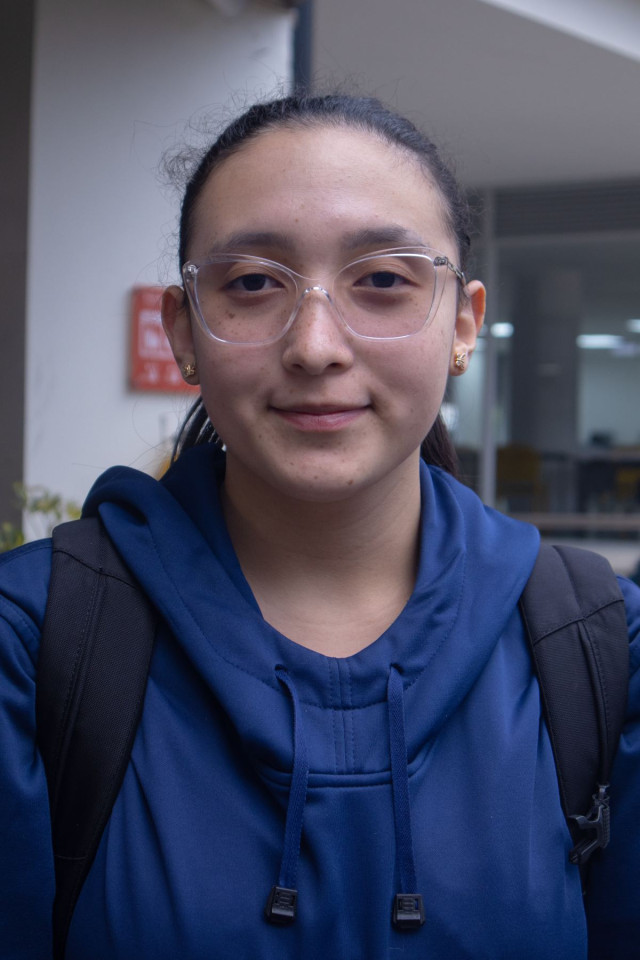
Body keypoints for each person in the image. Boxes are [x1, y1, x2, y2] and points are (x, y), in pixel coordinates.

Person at [1, 93, 639, 960]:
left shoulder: (599, 650)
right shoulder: (33, 645)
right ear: (184, 331)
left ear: (462, 323)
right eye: (253, 283)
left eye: (382, 281)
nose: (314, 345)